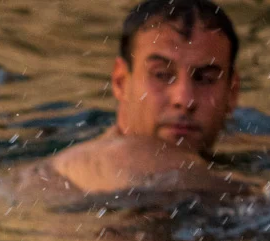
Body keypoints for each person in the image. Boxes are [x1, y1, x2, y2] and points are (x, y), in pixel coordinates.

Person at [33, 0, 244, 197]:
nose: (184, 99)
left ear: (232, 92)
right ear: (121, 82)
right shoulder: (118, 159)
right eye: (161, 75)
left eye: (205, 79)